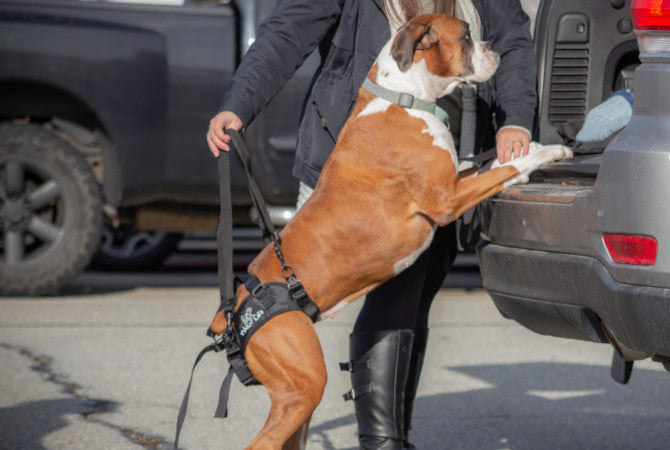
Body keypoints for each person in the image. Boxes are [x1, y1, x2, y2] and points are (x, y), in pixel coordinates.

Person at [206, 1, 537, 448]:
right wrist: (238, 104)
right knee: (306, 341)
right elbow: (288, 30)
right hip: (354, 161)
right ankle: (382, 442)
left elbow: (512, 38)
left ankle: (388, 439)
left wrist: (514, 117)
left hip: (451, 158)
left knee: (410, 305)